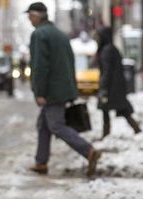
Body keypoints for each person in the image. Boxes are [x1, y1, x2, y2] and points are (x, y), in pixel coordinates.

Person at [26, 2, 101, 177]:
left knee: (56, 125)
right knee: (43, 124)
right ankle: (41, 162)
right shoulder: (60, 34)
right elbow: (70, 62)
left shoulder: (39, 35)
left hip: (51, 91)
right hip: (63, 88)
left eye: (30, 16)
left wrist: (40, 92)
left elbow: (40, 66)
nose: (29, 20)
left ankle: (88, 151)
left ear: (37, 16)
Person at [95, 26, 141, 139]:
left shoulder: (106, 51)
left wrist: (103, 88)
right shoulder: (112, 48)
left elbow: (106, 72)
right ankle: (135, 129)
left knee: (108, 109)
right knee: (122, 109)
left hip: (111, 88)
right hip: (116, 87)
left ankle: (106, 133)